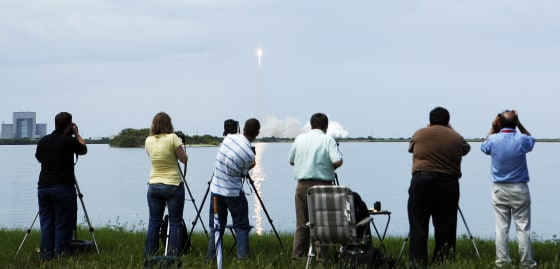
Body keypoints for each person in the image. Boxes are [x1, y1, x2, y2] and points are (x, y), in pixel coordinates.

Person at [407, 107, 470, 268]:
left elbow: (411, 149)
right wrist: (450, 129)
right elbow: (466, 148)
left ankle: (417, 263)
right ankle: (443, 260)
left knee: (418, 224)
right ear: (448, 121)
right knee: (446, 225)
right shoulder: (455, 137)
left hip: (421, 181)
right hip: (448, 184)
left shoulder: (419, 133)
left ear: (430, 120)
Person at [481, 110, 537, 268]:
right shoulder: (522, 139)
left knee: (501, 228)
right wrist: (519, 123)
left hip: (500, 188)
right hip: (519, 188)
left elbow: (484, 147)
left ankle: (502, 262)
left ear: (500, 123)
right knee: (523, 228)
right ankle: (527, 263)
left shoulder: (493, 139)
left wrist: (493, 128)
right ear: (515, 122)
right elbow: (532, 139)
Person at [288, 112, 343, 260]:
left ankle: (298, 257)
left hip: (301, 186)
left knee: (302, 224)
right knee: (323, 224)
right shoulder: (328, 140)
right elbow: (337, 161)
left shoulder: (299, 139)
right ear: (326, 126)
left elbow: (291, 160)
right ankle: (322, 257)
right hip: (323, 187)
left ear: (311, 125)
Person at [35, 112, 87, 261]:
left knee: (46, 224)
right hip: (63, 188)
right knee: (63, 224)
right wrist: (76, 133)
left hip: (43, 187)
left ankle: (46, 256)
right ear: (69, 125)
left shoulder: (43, 141)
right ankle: (61, 256)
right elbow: (83, 149)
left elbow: (38, 158)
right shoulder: (68, 141)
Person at [207, 118, 260, 260]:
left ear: (243, 129)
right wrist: (251, 164)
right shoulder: (249, 154)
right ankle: (242, 259)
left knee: (216, 227)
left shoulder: (228, 138)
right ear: (256, 134)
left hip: (216, 191)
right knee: (241, 226)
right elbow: (243, 174)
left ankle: (212, 257)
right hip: (233, 193)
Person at [144, 112, 188, 259]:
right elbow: (184, 160)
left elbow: (154, 158)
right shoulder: (173, 138)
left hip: (154, 185)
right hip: (173, 184)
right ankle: (173, 256)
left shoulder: (148, 140)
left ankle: (149, 255)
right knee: (175, 222)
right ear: (168, 124)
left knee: (154, 222)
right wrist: (180, 144)